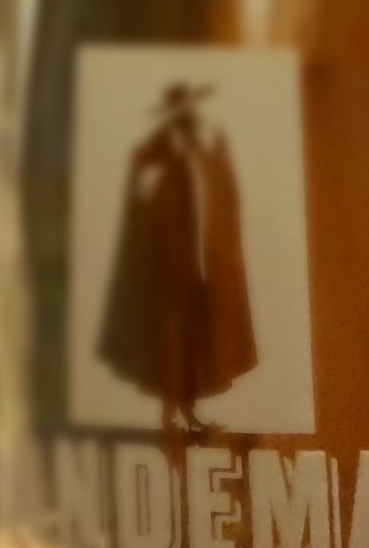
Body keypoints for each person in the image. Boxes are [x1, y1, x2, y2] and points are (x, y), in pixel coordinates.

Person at [96, 79, 259, 426]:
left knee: (198, 340)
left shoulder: (205, 147)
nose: (189, 117)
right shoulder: (153, 152)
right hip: (167, 267)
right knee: (171, 341)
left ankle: (188, 410)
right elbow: (140, 203)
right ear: (172, 115)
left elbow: (223, 194)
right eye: (181, 112)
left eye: (190, 110)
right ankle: (169, 414)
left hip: (204, 263)